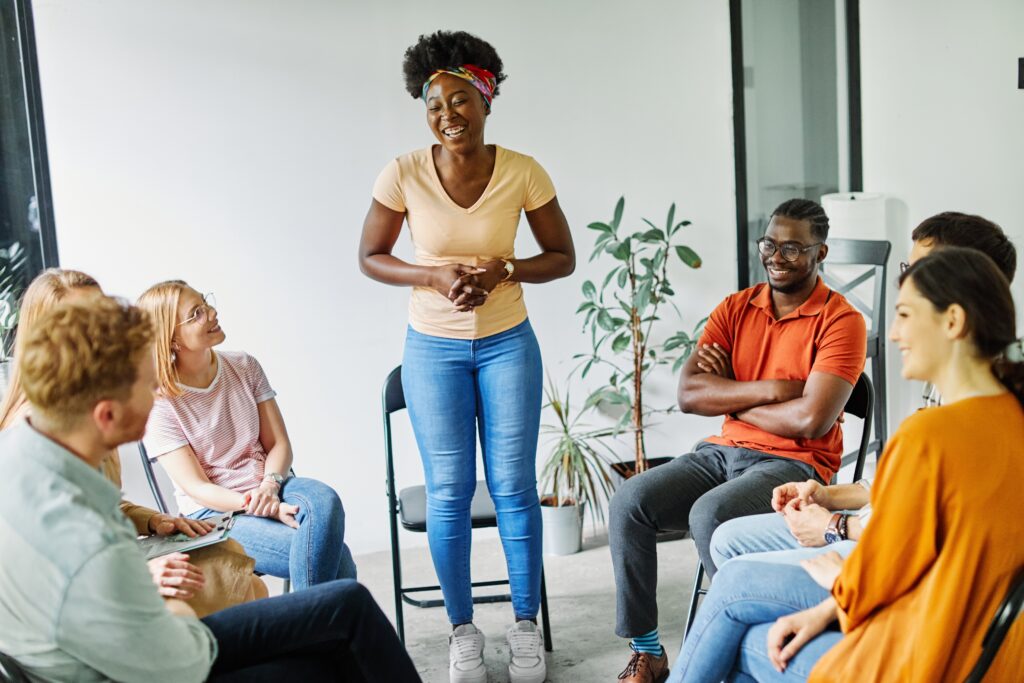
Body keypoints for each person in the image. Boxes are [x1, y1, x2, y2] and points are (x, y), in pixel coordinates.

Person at [0, 297, 421, 682]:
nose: (157, 396)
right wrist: (168, 601)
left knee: (346, 603)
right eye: (148, 388)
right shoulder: (88, 547)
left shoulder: (23, 452)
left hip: (140, 646)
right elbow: (182, 664)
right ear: (107, 414)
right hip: (167, 663)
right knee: (326, 660)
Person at [668, 247, 1024, 682]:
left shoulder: (930, 436)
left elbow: (884, 573)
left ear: (953, 322)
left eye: (906, 316)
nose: (893, 334)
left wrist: (842, 579)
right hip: (988, 656)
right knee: (752, 624)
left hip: (919, 657)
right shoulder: (1011, 419)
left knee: (743, 628)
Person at [358, 29, 575, 683]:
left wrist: (503, 267)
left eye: (459, 101)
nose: (446, 115)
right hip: (433, 349)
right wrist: (431, 275)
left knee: (512, 487)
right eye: (434, 105)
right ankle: (462, 632)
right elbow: (371, 256)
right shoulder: (402, 172)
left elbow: (562, 256)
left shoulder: (523, 170)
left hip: (508, 342)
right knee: (449, 492)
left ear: (485, 98)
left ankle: (525, 626)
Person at [609, 198, 867, 683]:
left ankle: (732, 645)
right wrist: (774, 390)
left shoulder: (841, 320)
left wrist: (729, 396)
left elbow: (812, 419)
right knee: (630, 500)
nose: (776, 256)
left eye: (793, 248)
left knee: (711, 513)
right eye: (769, 243)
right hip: (720, 451)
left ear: (821, 252)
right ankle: (649, 652)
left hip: (795, 465)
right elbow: (689, 394)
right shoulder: (735, 307)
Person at [709, 210, 1018, 570]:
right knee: (727, 541)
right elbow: (899, 484)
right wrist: (827, 495)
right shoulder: (952, 383)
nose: (893, 333)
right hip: (867, 526)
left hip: (880, 552)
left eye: (918, 274)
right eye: (907, 268)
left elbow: (928, 535)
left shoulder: (981, 413)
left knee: (737, 579)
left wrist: (834, 527)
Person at [0, 268, 266, 615]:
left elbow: (100, 507)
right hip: (92, 588)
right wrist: (136, 574)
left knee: (234, 557)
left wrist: (155, 520)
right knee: (239, 576)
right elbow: (49, 560)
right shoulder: (39, 435)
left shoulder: (88, 412)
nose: (108, 332)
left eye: (104, 315)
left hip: (116, 559)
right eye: (87, 322)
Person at [137, 280, 356, 590]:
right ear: (171, 339)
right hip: (215, 514)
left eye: (206, 303)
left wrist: (269, 487)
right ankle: (316, 633)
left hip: (272, 483)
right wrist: (255, 503)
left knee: (324, 499)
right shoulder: (160, 404)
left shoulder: (244, 365)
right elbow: (198, 487)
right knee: (337, 557)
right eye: (196, 313)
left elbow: (278, 444)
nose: (211, 313)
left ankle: (311, 630)